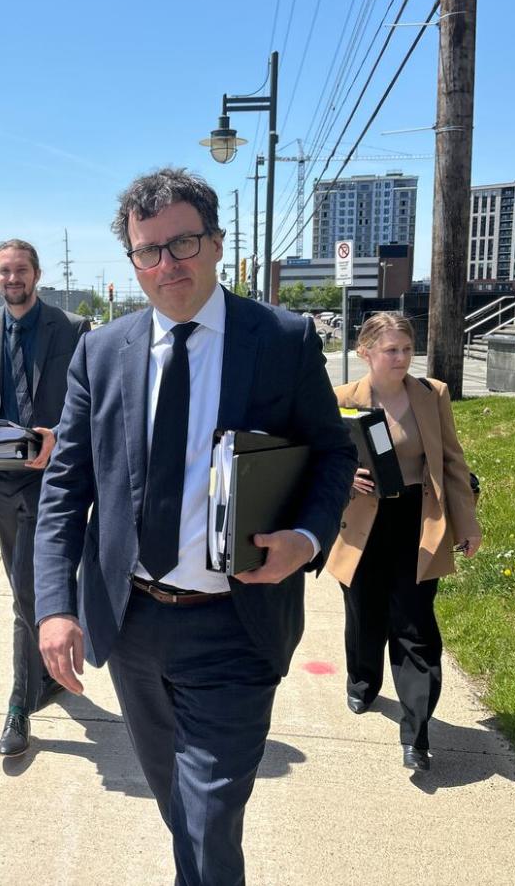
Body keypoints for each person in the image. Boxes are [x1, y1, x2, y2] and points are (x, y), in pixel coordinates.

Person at [34, 168, 355, 885]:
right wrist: (56, 606)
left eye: (181, 243)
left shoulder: (281, 339)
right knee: (177, 805)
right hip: (132, 625)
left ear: (215, 243)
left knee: (210, 818)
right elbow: (65, 489)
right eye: (148, 251)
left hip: (236, 623)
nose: (165, 264)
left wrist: (305, 541)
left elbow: (333, 456)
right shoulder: (102, 352)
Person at [323, 311, 481, 772]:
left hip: (418, 520)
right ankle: (362, 679)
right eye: (390, 350)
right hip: (362, 523)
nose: (401, 358)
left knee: (414, 626)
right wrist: (344, 476)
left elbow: (453, 462)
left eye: (407, 349)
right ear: (365, 352)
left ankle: (417, 733)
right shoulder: (341, 399)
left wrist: (466, 524)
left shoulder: (432, 395)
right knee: (364, 613)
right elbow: (319, 459)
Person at [0, 238, 90, 756]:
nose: (13, 279)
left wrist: (56, 434)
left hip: (50, 479)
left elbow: (85, 405)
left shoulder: (71, 329)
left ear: (37, 274)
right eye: (4, 272)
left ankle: (18, 704)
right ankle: (47, 678)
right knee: (23, 583)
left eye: (21, 270)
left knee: (27, 592)